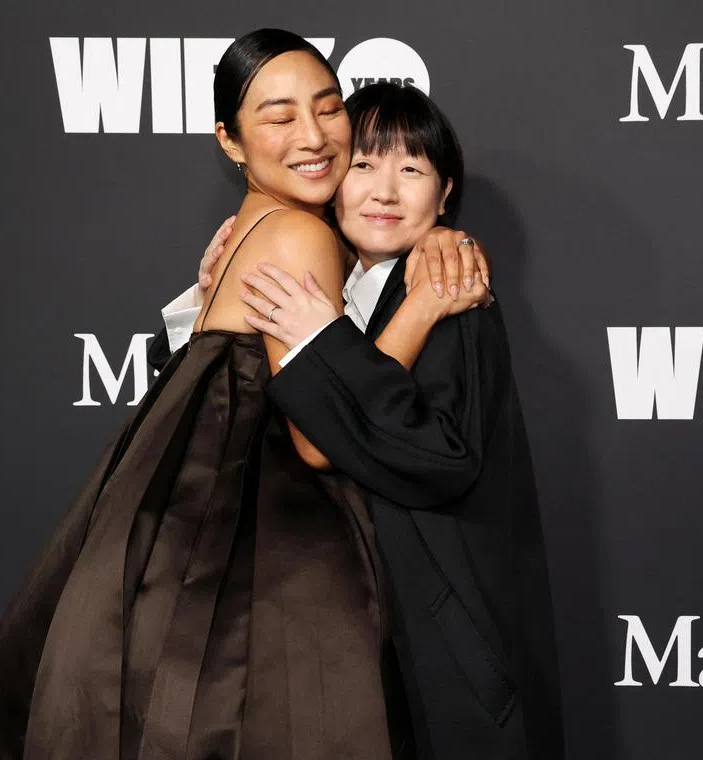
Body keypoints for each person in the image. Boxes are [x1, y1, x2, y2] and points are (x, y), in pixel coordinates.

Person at [0, 30, 486, 760]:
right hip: (246, 571)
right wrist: (422, 306)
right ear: (230, 141)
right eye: (278, 116)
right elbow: (324, 434)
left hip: (176, 552)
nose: (314, 136)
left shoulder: (260, 230)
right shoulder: (299, 234)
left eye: (328, 110)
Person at [175, 83, 565, 759]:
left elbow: (440, 454)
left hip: (432, 660)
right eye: (362, 164)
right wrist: (210, 303)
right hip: (322, 649)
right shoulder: (316, 292)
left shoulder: (454, 297)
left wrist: (324, 342)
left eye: (411, 169)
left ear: (444, 195)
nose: (385, 190)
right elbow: (229, 422)